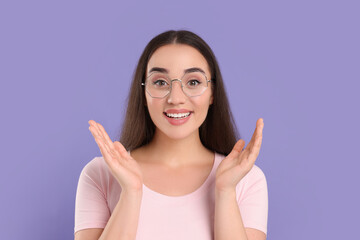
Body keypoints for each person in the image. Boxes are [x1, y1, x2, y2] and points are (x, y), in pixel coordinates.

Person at [74, 30, 268, 240]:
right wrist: (131, 192)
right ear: (144, 92)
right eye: (160, 82)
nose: (176, 98)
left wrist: (225, 192)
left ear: (213, 93)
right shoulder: (100, 174)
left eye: (193, 82)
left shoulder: (246, 180)